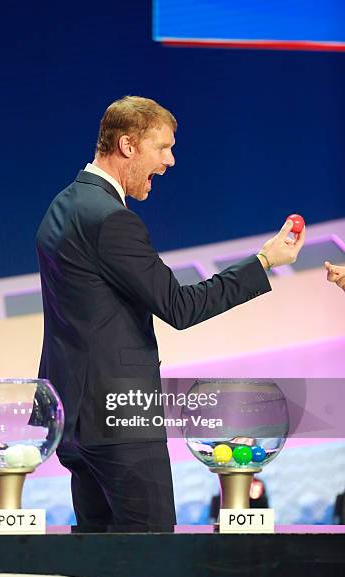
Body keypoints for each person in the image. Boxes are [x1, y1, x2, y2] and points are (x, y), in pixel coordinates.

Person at [36, 95, 305, 532]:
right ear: (127, 145)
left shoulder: (61, 207)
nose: (170, 161)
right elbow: (180, 307)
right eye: (162, 148)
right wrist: (263, 262)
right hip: (119, 417)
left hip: (73, 416)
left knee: (99, 561)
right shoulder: (112, 219)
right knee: (153, 556)